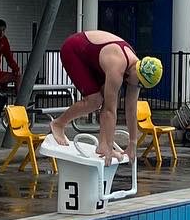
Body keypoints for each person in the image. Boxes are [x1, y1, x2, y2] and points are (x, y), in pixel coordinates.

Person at [51, 29, 161, 164]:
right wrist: (110, 147)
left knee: (107, 95)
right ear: (137, 72)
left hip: (94, 59)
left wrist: (132, 143)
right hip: (74, 50)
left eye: (142, 86)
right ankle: (58, 123)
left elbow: (131, 110)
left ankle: (102, 145)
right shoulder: (118, 66)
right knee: (95, 100)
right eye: (139, 83)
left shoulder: (136, 72)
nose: (138, 87)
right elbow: (110, 111)